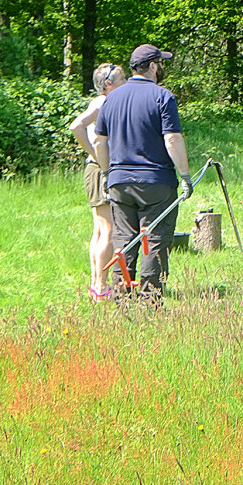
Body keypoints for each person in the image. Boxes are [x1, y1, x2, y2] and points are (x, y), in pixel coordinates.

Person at [94, 44, 192, 301]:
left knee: (124, 240)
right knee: (154, 239)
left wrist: (106, 173)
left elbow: (100, 142)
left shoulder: (111, 98)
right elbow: (172, 139)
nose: (162, 69)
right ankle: (150, 301)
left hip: (119, 181)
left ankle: (122, 298)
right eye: (160, 63)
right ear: (151, 66)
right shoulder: (163, 96)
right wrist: (185, 177)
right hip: (156, 182)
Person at [68, 62, 128, 299]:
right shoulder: (103, 103)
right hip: (99, 170)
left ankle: (96, 285)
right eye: (122, 78)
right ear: (108, 84)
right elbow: (76, 126)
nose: (126, 82)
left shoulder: (103, 102)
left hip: (96, 170)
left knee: (100, 230)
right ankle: (102, 288)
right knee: (109, 230)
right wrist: (98, 157)